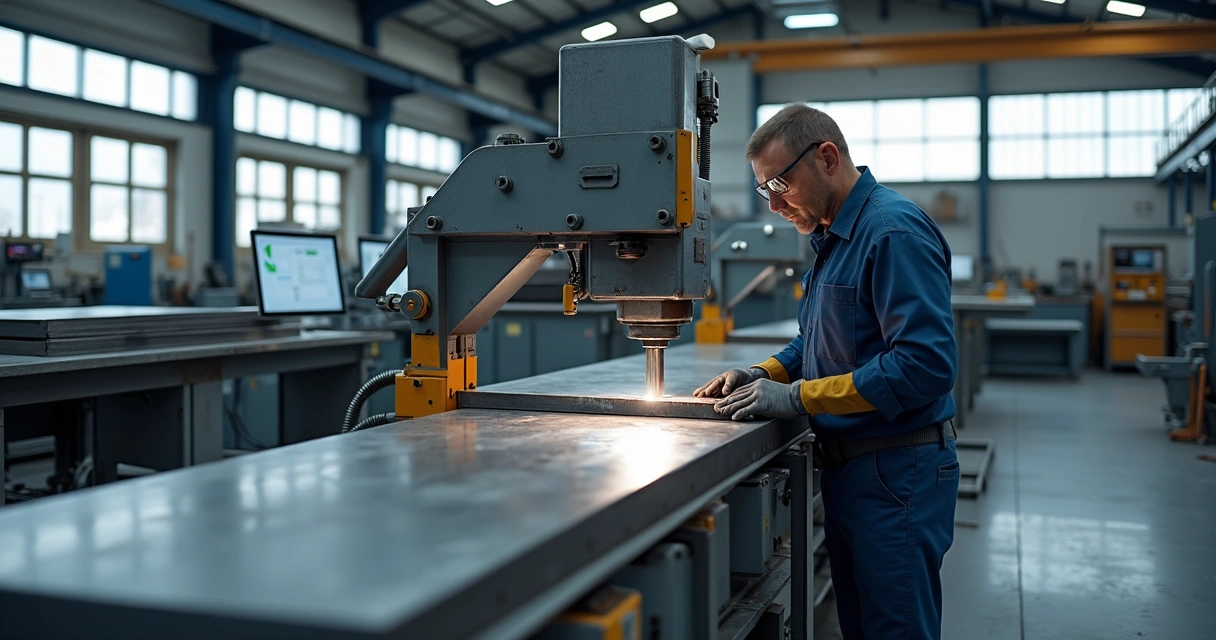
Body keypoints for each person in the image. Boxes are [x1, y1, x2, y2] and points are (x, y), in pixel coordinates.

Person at [694, 104, 960, 640]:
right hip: (850, 474)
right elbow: (818, 340)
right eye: (764, 190)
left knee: (895, 630)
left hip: (895, 473)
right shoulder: (833, 238)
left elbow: (926, 365)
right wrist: (760, 373)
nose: (772, 204)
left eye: (778, 184)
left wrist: (795, 399)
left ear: (827, 157)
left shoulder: (890, 231)